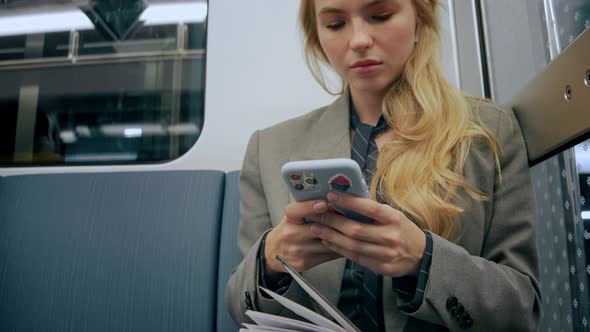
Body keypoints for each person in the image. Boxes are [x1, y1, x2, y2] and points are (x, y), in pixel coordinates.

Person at [226, 0, 541, 331]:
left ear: (420, 20)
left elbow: (522, 309)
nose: (359, 40)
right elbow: (238, 304)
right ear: (317, 36)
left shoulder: (488, 130)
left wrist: (423, 260)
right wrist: (270, 259)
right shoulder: (270, 147)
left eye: (380, 16)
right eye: (335, 25)